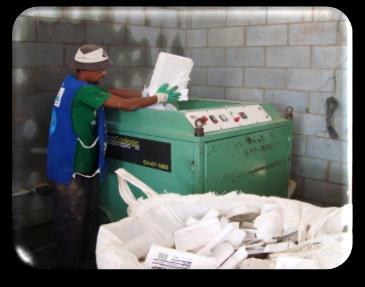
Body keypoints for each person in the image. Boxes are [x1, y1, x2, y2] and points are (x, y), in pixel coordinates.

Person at [46, 44, 180, 269]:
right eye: (100, 69)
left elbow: (113, 93)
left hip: (83, 167)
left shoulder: (75, 84)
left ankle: (88, 261)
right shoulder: (82, 90)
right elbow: (124, 105)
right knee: (71, 224)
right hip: (69, 169)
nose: (104, 72)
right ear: (84, 69)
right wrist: (158, 98)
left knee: (87, 219)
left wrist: (147, 94)